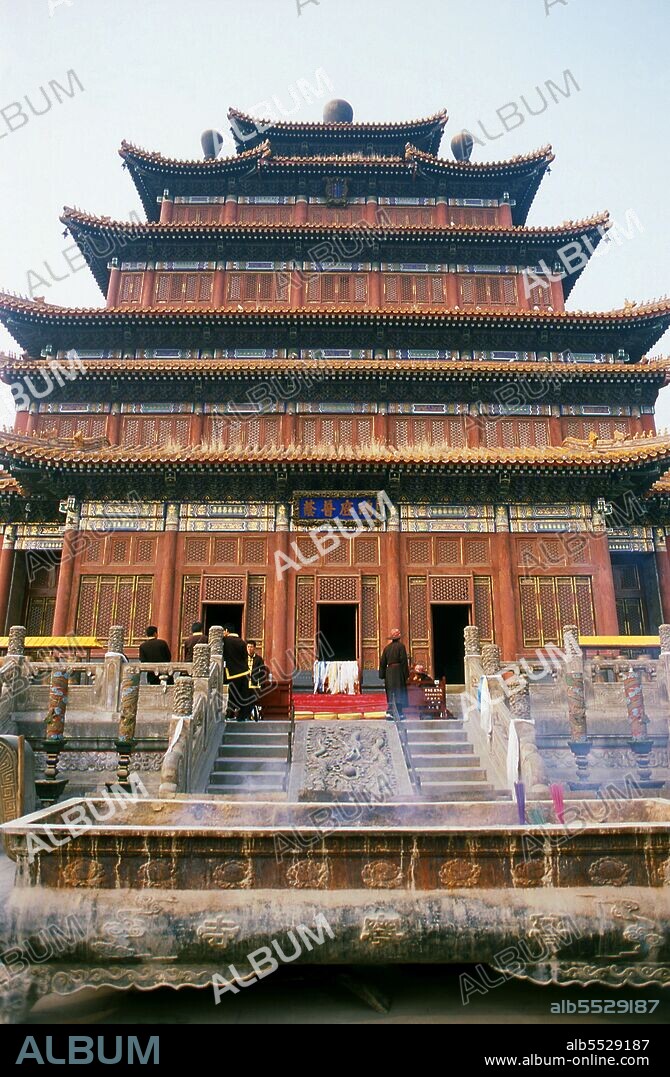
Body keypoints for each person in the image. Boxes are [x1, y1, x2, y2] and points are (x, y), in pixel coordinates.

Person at [222, 623, 253, 721]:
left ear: (227, 631)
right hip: (244, 672)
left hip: (232, 673)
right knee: (243, 694)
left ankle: (230, 713)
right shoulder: (242, 642)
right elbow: (245, 657)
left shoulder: (225, 641)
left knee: (233, 694)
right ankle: (242, 715)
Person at [379, 628, 409, 721]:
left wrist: (382, 675)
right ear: (399, 637)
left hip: (389, 672)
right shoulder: (401, 647)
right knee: (399, 691)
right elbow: (404, 661)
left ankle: (390, 712)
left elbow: (382, 662)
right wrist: (406, 674)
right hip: (398, 671)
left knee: (390, 691)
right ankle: (399, 713)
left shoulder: (386, 648)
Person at [246, 640, 269, 721]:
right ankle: (246, 716)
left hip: (254, 684)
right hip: (245, 684)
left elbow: (262, 671)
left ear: (254, 648)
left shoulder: (259, 659)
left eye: (251, 647)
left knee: (253, 701)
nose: (249, 648)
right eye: (248, 647)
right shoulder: (243, 658)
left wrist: (259, 681)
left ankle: (254, 716)